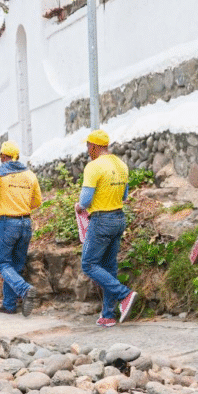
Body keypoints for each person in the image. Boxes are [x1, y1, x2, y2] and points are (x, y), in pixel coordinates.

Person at [75, 130, 138, 328]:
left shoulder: (93, 167)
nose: (87, 151)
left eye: (88, 146)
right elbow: (125, 195)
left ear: (94, 146)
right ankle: (108, 315)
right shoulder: (121, 164)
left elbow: (85, 200)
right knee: (109, 267)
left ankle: (124, 295)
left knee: (89, 264)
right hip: (119, 218)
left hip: (101, 220)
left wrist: (79, 206)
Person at [0, 140, 43, 316]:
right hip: (26, 222)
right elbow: (38, 201)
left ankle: (24, 289)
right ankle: (9, 305)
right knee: (16, 265)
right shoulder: (30, 174)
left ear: (4, 157)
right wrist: (23, 208)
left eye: (1, 157)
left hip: (7, 222)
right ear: (17, 157)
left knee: (2, 262)